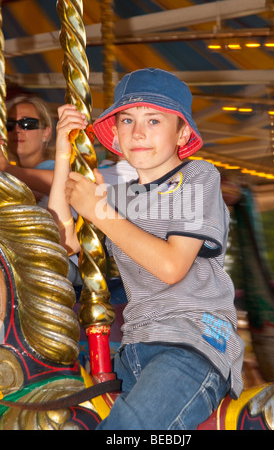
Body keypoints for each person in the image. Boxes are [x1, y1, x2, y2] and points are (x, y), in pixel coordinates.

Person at [48, 68, 244, 430]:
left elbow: (172, 266)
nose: (138, 132)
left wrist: (100, 213)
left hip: (192, 344)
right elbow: (61, 242)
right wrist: (63, 154)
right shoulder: (119, 196)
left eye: (154, 120)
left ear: (182, 132)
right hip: (133, 347)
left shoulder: (198, 177)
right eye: (127, 120)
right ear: (117, 134)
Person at [0, 95, 55, 200]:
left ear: (46, 133)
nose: (17, 130)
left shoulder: (54, 168)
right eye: (10, 124)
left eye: (27, 123)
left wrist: (6, 169)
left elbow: (62, 183)